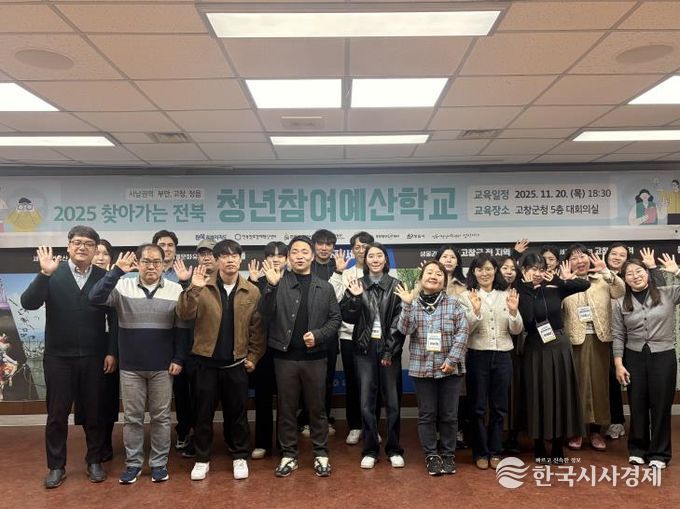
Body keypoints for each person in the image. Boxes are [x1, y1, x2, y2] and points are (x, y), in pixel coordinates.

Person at [21, 225, 115, 488]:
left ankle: (94, 460)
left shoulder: (104, 277)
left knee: (94, 412)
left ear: (95, 249)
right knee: (57, 414)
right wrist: (43, 274)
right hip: (58, 358)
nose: (82, 247)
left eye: (88, 243)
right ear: (69, 246)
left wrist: (111, 352)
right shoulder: (54, 272)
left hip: (94, 357)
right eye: (77, 242)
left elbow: (114, 319)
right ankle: (56, 466)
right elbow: (28, 303)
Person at [89, 244, 188, 484]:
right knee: (132, 418)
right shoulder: (123, 286)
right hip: (131, 367)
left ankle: (159, 464)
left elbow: (182, 329)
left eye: (156, 262)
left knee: (161, 418)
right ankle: (133, 464)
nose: (151, 266)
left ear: (163, 265)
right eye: (146, 261)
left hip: (163, 367)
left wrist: (178, 358)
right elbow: (94, 298)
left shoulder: (175, 289)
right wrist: (116, 272)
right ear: (138, 263)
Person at [176, 239, 265, 481]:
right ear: (216, 260)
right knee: (202, 415)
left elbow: (257, 329)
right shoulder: (202, 286)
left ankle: (239, 456)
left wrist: (254, 356)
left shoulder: (251, 290)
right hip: (205, 364)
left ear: (241, 258)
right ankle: (202, 459)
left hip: (236, 365)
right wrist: (193, 288)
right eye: (224, 256)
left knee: (237, 415)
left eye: (234, 255)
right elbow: (184, 314)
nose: (230, 260)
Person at [259, 235, 341, 478]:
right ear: (288, 258)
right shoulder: (277, 282)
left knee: (317, 409)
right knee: (286, 409)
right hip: (285, 358)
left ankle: (321, 454)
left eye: (305, 252)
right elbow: (264, 314)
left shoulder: (325, 287)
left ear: (312, 256)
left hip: (315, 358)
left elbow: (335, 319)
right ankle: (289, 455)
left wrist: (319, 335)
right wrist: (271, 287)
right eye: (295, 252)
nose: (300, 256)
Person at [395, 260, 468, 476]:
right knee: (427, 414)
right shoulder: (413, 303)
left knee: (449, 415)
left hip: (450, 369)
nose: (434, 276)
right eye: (429, 272)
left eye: (439, 273)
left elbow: (463, 333)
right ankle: (431, 455)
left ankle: (448, 454)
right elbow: (405, 329)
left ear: (444, 281)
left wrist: (452, 360)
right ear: (421, 278)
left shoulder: (454, 303)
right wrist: (407, 305)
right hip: (422, 368)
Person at [517, 254, 589, 463]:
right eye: (533, 269)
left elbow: (584, 285)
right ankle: (539, 444)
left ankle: (558, 444)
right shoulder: (521, 290)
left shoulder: (555, 287)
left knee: (560, 394)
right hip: (535, 347)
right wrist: (528, 288)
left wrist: (559, 280)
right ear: (524, 271)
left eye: (541, 269)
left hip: (559, 345)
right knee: (537, 394)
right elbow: (528, 318)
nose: (537, 273)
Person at [340, 242, 405, 469]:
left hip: (389, 349)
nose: (375, 260)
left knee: (393, 402)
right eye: (371, 256)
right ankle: (369, 450)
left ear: (385, 260)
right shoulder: (357, 284)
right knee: (366, 402)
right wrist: (355, 298)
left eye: (379, 256)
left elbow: (399, 323)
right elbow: (347, 317)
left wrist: (389, 350)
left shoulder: (396, 285)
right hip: (364, 349)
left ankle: (394, 449)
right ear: (365, 260)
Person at [613, 254, 680, 469]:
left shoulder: (667, 293)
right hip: (633, 356)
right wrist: (619, 364)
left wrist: (677, 271)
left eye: (639, 271)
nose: (635, 276)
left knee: (661, 405)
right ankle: (637, 449)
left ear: (648, 273)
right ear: (624, 279)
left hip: (663, 356)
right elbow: (618, 335)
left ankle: (659, 453)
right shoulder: (619, 303)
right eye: (629, 274)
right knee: (637, 403)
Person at [458, 253, 522, 470]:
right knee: (477, 407)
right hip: (478, 355)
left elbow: (517, 329)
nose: (484, 273)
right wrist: (475, 311)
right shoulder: (466, 296)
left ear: (495, 271)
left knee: (499, 407)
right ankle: (480, 452)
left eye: (488, 269)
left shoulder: (507, 294)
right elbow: (465, 330)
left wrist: (513, 312)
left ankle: (495, 451)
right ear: (474, 272)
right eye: (479, 269)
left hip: (503, 355)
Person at [562, 245, 624, 452]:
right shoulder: (564, 282)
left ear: (589, 259)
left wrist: (606, 272)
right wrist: (564, 283)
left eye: (582, 257)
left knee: (599, 386)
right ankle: (577, 431)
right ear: (568, 263)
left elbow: (620, 291)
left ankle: (596, 431)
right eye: (574, 258)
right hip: (574, 340)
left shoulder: (602, 280)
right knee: (577, 386)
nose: (579, 261)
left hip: (600, 338)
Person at [171, 239, 217, 459]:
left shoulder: (226, 280)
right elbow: (184, 314)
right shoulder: (190, 281)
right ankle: (189, 436)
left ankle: (206, 440)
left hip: (214, 353)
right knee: (187, 399)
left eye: (210, 253)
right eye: (202, 254)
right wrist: (185, 284)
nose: (206, 257)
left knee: (205, 402)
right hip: (189, 351)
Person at [329, 231, 375, 446]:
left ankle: (371, 427)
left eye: (366, 246)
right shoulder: (346, 273)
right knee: (353, 382)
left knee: (373, 383)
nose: (362, 250)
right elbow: (333, 297)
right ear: (353, 250)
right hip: (349, 335)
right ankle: (355, 426)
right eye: (357, 247)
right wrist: (338, 272)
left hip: (374, 336)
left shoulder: (378, 272)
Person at [247, 241, 287, 459]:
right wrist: (253, 282)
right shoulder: (256, 282)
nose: (276, 259)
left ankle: (285, 444)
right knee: (262, 398)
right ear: (266, 259)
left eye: (280, 255)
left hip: (286, 349)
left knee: (286, 400)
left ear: (287, 259)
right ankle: (262, 443)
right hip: (263, 349)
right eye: (272, 255)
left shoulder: (292, 281)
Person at [303, 229, 340, 437]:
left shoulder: (339, 267)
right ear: (314, 246)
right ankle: (305, 420)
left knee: (326, 379)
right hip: (306, 333)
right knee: (305, 380)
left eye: (328, 244)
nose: (324, 248)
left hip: (330, 333)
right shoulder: (307, 266)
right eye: (320, 243)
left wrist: (341, 272)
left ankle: (325, 419)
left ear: (333, 247)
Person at [90, 239, 119, 463]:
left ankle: (105, 443)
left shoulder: (116, 281)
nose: (100, 257)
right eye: (97, 252)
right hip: (86, 350)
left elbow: (116, 321)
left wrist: (112, 352)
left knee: (108, 398)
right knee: (90, 400)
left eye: (105, 253)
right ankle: (94, 445)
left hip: (109, 349)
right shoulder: (84, 281)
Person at [498, 255, 524, 454]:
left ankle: (513, 435)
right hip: (497, 348)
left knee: (515, 393)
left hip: (519, 349)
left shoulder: (522, 291)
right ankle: (496, 435)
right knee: (498, 393)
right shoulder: (491, 293)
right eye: (505, 268)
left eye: (513, 268)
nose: (509, 272)